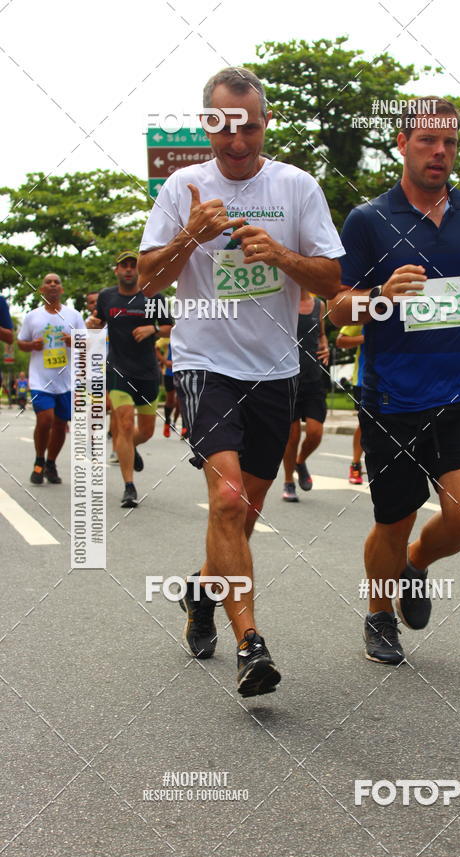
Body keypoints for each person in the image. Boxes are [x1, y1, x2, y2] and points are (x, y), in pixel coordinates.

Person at [138, 66, 343, 697]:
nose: (237, 141)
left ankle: (201, 593)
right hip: (205, 364)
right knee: (227, 501)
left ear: (264, 123)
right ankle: (251, 646)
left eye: (249, 127)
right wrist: (188, 237)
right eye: (224, 128)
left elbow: (332, 281)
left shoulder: (296, 186)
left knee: (244, 514)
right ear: (208, 124)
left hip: (275, 370)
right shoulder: (182, 186)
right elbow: (146, 280)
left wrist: (280, 255)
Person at [329, 96, 460, 664]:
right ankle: (379, 613)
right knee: (394, 517)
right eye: (428, 140)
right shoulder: (368, 220)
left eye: (450, 142)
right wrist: (379, 297)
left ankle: (416, 564)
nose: (440, 152)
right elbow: (336, 308)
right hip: (390, 398)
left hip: (458, 394)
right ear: (402, 144)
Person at [86, 252, 171, 508]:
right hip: (118, 370)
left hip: (147, 372)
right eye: (124, 265)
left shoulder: (154, 297)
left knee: (144, 431)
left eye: (133, 266)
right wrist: (92, 325)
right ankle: (129, 486)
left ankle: (129, 449)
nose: (128, 270)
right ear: (117, 270)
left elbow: (170, 326)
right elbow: (99, 322)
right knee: (123, 424)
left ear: (139, 270)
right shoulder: (107, 296)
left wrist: (153, 329)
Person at [17, 274, 86, 484]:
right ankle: (39, 459)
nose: (53, 285)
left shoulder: (73, 315)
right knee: (45, 419)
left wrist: (73, 341)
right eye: (48, 282)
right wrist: (31, 346)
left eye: (57, 282)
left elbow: (86, 342)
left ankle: (51, 463)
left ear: (62, 290)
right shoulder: (32, 316)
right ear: (42, 290)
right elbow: (21, 343)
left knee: (60, 424)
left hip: (65, 381)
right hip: (40, 380)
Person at [281, 290, 329, 501]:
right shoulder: (283, 302)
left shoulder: (319, 305)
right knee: (291, 437)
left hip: (314, 377)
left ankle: (300, 462)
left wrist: (325, 346)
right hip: (288, 378)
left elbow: (321, 334)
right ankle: (288, 481)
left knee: (315, 432)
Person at [336, 324, 365, 484]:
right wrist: (369, 338)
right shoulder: (371, 307)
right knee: (365, 423)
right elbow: (341, 341)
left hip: (402, 379)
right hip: (366, 380)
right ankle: (355, 464)